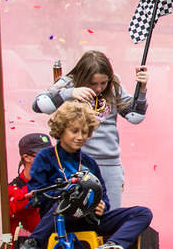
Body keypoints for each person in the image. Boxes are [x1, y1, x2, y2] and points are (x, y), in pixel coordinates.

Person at [16, 102, 154, 249]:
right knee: (62, 205)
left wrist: (102, 206)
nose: (80, 136)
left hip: (90, 219)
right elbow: (37, 193)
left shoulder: (89, 161)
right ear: (61, 130)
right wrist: (66, 196)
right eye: (74, 131)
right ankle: (31, 245)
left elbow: (104, 196)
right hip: (59, 218)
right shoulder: (45, 158)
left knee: (143, 212)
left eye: (84, 132)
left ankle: (109, 248)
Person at [33, 51, 148, 209]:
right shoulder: (69, 83)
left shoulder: (114, 85)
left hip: (110, 164)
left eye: (103, 83)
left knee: (110, 215)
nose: (98, 88)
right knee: (78, 216)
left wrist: (141, 89)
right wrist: (69, 93)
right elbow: (39, 105)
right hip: (78, 163)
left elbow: (135, 116)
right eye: (93, 84)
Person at [8, 133, 51, 235]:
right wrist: (37, 185)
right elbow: (15, 209)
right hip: (26, 247)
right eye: (43, 154)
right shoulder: (12, 189)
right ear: (27, 157)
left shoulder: (57, 180)